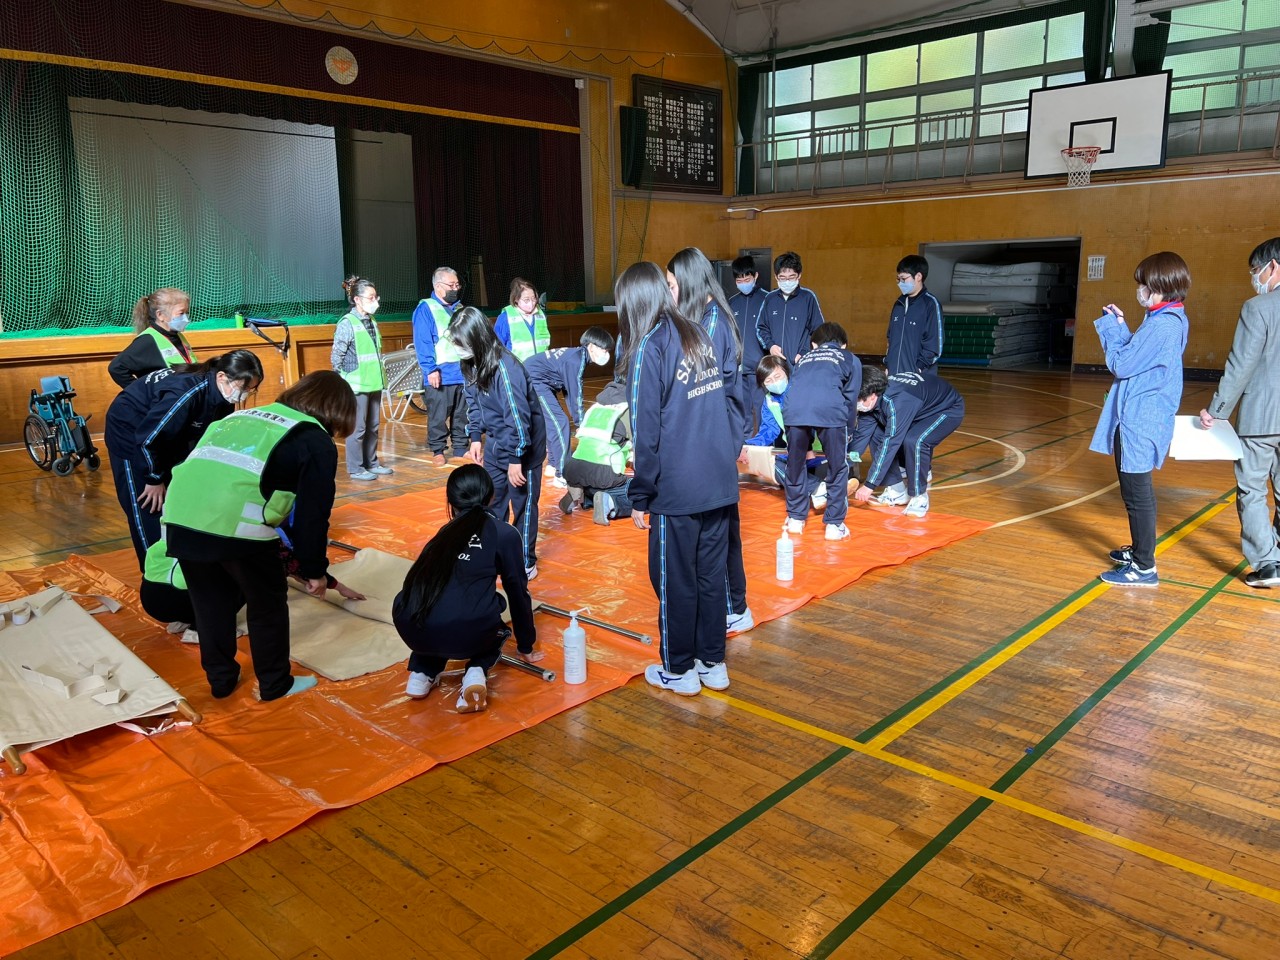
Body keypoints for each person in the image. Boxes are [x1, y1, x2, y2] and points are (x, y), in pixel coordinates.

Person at [162, 371, 357, 701]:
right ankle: (275, 683)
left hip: (180, 520)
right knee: (267, 604)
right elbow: (313, 516)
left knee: (210, 605)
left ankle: (221, 681)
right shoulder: (314, 439)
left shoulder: (240, 418)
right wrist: (313, 571)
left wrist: (315, 569)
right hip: (236, 528)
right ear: (337, 410)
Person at [621, 261, 740, 695]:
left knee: (676, 580)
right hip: (719, 482)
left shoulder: (650, 347)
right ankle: (713, 662)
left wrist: (640, 495)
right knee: (711, 579)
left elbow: (645, 431)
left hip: (679, 491)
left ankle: (679, 668)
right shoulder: (699, 334)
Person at [393, 464, 543, 711]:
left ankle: (420, 673)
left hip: (410, 627)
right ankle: (475, 672)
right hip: (466, 632)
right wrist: (526, 644)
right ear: (491, 495)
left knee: (439, 607)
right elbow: (517, 591)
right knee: (495, 612)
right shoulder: (503, 533)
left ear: (451, 500)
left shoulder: (445, 532)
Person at [1084, 252, 1191, 587]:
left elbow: (1122, 364)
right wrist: (1119, 325)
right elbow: (1137, 354)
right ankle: (1140, 550)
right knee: (1135, 492)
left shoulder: (1163, 325)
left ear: (1159, 285)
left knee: (1137, 494)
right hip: (1140, 414)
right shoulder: (1165, 317)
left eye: (1144, 284)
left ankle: (1144, 567)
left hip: (1140, 420)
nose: (1140, 290)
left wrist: (1113, 332)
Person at [104, 350, 264, 569]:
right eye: (243, 388)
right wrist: (153, 479)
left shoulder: (222, 395)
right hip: (131, 432)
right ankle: (155, 574)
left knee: (180, 497)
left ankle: (185, 563)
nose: (245, 394)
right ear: (222, 377)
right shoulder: (186, 392)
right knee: (150, 506)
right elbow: (148, 439)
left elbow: (209, 438)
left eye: (251, 389)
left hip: (165, 435)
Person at [666, 247, 752, 634]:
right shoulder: (709, 316)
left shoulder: (712, 324)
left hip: (716, 440)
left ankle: (735, 605)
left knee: (722, 534)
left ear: (687, 282)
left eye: (671, 284)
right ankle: (736, 605)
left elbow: (708, 392)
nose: (669, 292)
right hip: (717, 440)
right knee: (724, 529)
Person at [1200, 238, 1280, 587]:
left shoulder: (1258, 307)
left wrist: (1217, 411)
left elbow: (1240, 365)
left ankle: (1268, 564)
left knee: (1251, 488)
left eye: (1255, 270)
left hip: (1262, 418)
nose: (1255, 277)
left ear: (1273, 267)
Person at [450, 305, 546, 578]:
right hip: (495, 440)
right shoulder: (469, 362)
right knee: (492, 500)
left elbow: (518, 416)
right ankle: (493, 552)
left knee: (524, 503)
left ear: (476, 338)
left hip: (523, 445)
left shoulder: (506, 367)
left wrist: (516, 459)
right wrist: (475, 437)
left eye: (460, 341)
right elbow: (473, 401)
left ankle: (525, 560)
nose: (457, 347)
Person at [778, 323, 861, 540]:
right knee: (837, 467)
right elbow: (851, 397)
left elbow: (798, 389)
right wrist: (849, 429)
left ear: (814, 344)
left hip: (794, 411)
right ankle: (834, 525)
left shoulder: (804, 359)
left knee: (795, 465)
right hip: (830, 411)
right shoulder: (849, 357)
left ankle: (795, 519)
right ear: (843, 344)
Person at [852, 367, 965, 520]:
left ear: (872, 396)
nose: (856, 404)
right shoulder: (872, 400)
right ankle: (896, 490)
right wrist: (846, 466)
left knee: (915, 441)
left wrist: (870, 484)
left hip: (947, 409)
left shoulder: (898, 400)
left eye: (859, 400)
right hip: (919, 409)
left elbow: (891, 443)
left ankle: (919, 497)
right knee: (875, 434)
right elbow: (860, 439)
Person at [523, 326, 614, 490]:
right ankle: (562, 473)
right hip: (533, 381)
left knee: (553, 423)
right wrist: (581, 423)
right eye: (604, 349)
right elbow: (575, 395)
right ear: (591, 347)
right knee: (560, 422)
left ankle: (552, 464)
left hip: (540, 381)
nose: (606, 354)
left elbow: (568, 390)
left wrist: (579, 420)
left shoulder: (577, 356)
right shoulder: (576, 360)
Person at [740, 355, 834, 510]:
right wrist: (748, 446)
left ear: (787, 373)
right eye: (768, 380)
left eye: (778, 376)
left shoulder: (801, 391)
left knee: (791, 474)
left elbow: (810, 424)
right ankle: (817, 489)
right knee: (773, 463)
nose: (774, 382)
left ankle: (816, 488)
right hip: (793, 452)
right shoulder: (769, 401)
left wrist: (808, 447)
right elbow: (769, 430)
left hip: (816, 452)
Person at [332, 275, 392, 482]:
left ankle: (372, 463)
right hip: (356, 386)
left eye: (376, 297)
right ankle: (356, 468)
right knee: (357, 429)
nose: (376, 301)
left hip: (374, 382)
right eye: (371, 297)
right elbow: (336, 357)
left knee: (373, 426)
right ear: (357, 299)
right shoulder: (347, 323)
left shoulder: (372, 321)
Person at [412, 266, 468, 466]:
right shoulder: (426, 308)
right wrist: (430, 369)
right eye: (451, 285)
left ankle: (461, 447)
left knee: (462, 414)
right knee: (438, 415)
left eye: (457, 285)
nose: (455, 288)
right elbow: (423, 341)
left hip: (462, 372)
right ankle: (438, 449)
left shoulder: (460, 309)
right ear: (437, 286)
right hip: (440, 373)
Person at [560, 378, 633, 525]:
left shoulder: (596, 407)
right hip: (604, 473)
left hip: (573, 467)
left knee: (594, 483)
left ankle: (578, 492)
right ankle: (611, 502)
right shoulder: (629, 411)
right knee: (643, 494)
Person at [107, 287, 197, 388]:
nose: (185, 318)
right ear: (160, 315)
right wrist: (141, 393)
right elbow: (116, 368)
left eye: (186, 312)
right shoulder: (147, 340)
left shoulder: (177, 335)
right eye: (181, 313)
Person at [757, 250, 824, 365]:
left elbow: (818, 330)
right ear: (776, 277)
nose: (787, 281)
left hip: (801, 363)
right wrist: (771, 345)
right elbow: (761, 328)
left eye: (791, 277)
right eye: (782, 278)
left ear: (799, 275)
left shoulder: (808, 298)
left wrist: (804, 352)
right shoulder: (770, 298)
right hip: (776, 364)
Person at [729, 255, 769, 440]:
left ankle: (764, 444)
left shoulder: (767, 299)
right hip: (738, 369)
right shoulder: (732, 302)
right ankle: (743, 446)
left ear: (756, 276)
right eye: (739, 280)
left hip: (759, 368)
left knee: (762, 410)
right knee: (742, 410)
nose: (743, 283)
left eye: (747, 279)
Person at [886, 254, 944, 375]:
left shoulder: (931, 304)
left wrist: (918, 367)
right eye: (898, 279)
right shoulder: (898, 304)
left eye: (903, 279)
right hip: (894, 374)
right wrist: (888, 364)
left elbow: (935, 344)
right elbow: (890, 338)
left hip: (918, 376)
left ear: (918, 276)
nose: (900, 283)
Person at [494, 278, 551, 362]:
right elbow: (496, 347)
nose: (531, 303)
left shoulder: (541, 314)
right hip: (517, 369)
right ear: (516, 299)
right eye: (526, 300)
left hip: (541, 368)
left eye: (534, 298)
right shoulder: (505, 318)